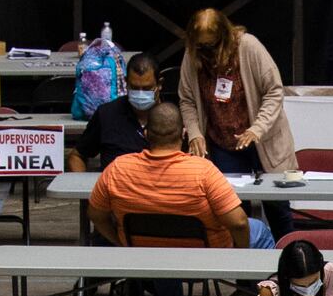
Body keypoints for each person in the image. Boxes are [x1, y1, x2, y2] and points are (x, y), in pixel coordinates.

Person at [87, 100, 273, 249]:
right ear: (183, 134)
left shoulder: (117, 169)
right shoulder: (204, 171)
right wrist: (240, 255)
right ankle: (262, 293)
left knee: (161, 241)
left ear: (145, 134)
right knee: (260, 230)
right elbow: (239, 223)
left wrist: (121, 242)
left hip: (143, 250)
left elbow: (95, 215)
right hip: (206, 255)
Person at [176, 6, 296, 193]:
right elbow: (187, 100)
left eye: (212, 45)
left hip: (261, 140)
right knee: (232, 203)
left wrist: (258, 128)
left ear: (224, 36)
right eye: (201, 46)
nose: (207, 51)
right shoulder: (192, 54)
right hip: (223, 143)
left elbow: (274, 91)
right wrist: (194, 133)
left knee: (277, 205)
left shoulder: (249, 46)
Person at [72, 50, 156, 170]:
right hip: (114, 187)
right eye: (134, 88)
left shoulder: (174, 118)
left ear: (160, 84)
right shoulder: (107, 114)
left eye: (147, 88)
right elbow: (77, 156)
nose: (140, 93)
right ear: (126, 83)